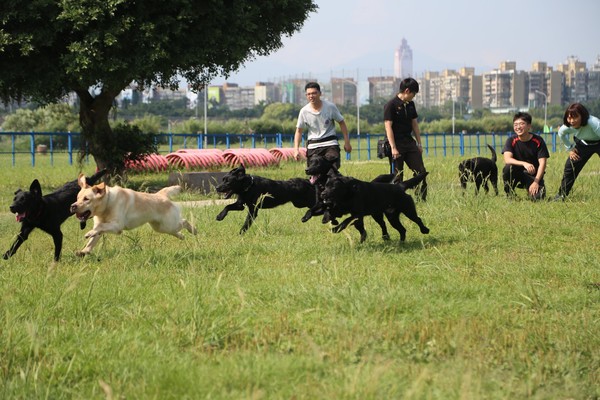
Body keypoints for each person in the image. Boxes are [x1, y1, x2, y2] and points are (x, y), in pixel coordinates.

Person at [383, 77, 427, 201]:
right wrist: (393, 148)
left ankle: (421, 198)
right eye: (413, 94)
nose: (414, 96)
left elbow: (414, 124)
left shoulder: (410, 105)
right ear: (407, 91)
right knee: (397, 176)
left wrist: (419, 144)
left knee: (421, 171)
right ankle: (396, 201)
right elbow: (388, 127)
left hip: (409, 142)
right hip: (396, 144)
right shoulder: (391, 105)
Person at [293, 82, 352, 168]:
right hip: (313, 146)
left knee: (332, 171)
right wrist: (296, 150)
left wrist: (347, 142)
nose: (311, 96)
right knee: (315, 173)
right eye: (308, 94)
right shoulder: (304, 111)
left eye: (314, 93)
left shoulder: (330, 107)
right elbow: (299, 131)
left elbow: (341, 123)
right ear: (306, 95)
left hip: (330, 144)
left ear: (320, 93)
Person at [552, 103, 600, 201]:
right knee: (570, 166)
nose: (572, 121)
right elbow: (561, 134)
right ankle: (561, 196)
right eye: (569, 118)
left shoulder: (593, 122)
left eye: (575, 117)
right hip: (583, 144)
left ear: (583, 116)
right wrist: (570, 148)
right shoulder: (567, 126)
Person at [502, 112, 550, 200]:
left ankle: (531, 190)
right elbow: (507, 159)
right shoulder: (511, 140)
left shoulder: (538, 141)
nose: (518, 127)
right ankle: (510, 195)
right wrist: (524, 163)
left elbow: (542, 163)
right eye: (515, 125)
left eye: (521, 124)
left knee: (538, 198)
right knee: (508, 168)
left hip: (533, 175)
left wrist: (536, 182)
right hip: (517, 173)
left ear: (529, 126)